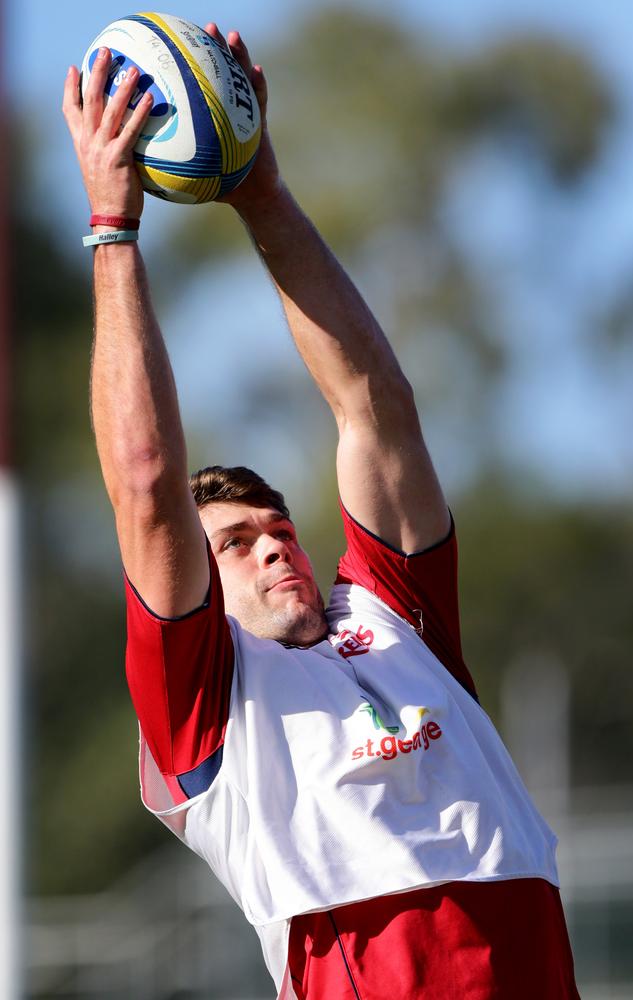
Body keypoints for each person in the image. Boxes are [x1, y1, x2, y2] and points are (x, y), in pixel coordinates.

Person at [63, 22, 580, 1000]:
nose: (272, 548)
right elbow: (142, 477)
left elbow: (373, 404)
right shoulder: (204, 703)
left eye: (278, 528)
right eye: (235, 542)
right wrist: (113, 233)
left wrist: (262, 190)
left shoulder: (388, 612)